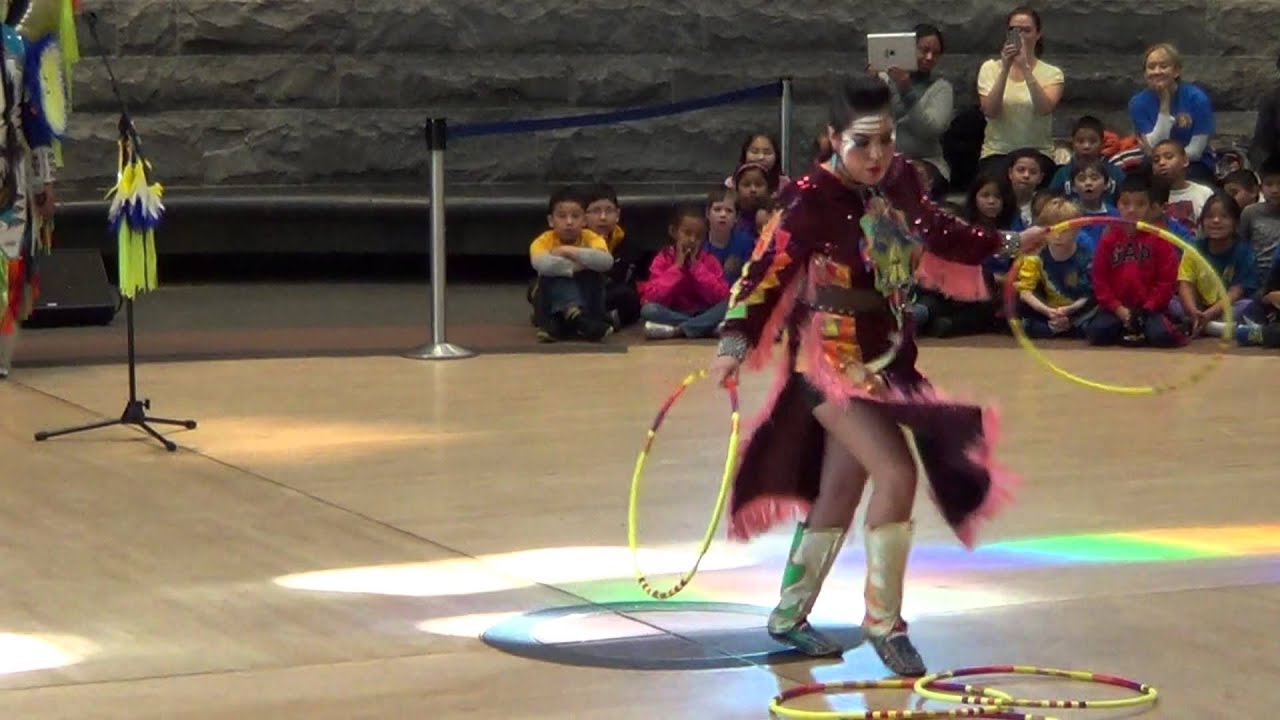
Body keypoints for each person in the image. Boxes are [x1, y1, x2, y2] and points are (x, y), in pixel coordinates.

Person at [708, 75, 1047, 676]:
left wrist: (1010, 239)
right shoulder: (809, 197)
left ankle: (788, 616)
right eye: (863, 143)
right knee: (895, 470)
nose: (876, 155)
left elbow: (940, 231)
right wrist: (737, 339)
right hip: (827, 359)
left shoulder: (903, 180)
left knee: (841, 488)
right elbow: (768, 269)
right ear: (833, 138)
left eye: (886, 141)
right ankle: (884, 623)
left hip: (889, 355)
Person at [0, 0, 76, 379]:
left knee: (9, 259)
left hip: (9, 170)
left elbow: (36, 119)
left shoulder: (18, 47)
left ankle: (1, 355)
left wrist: (44, 178)